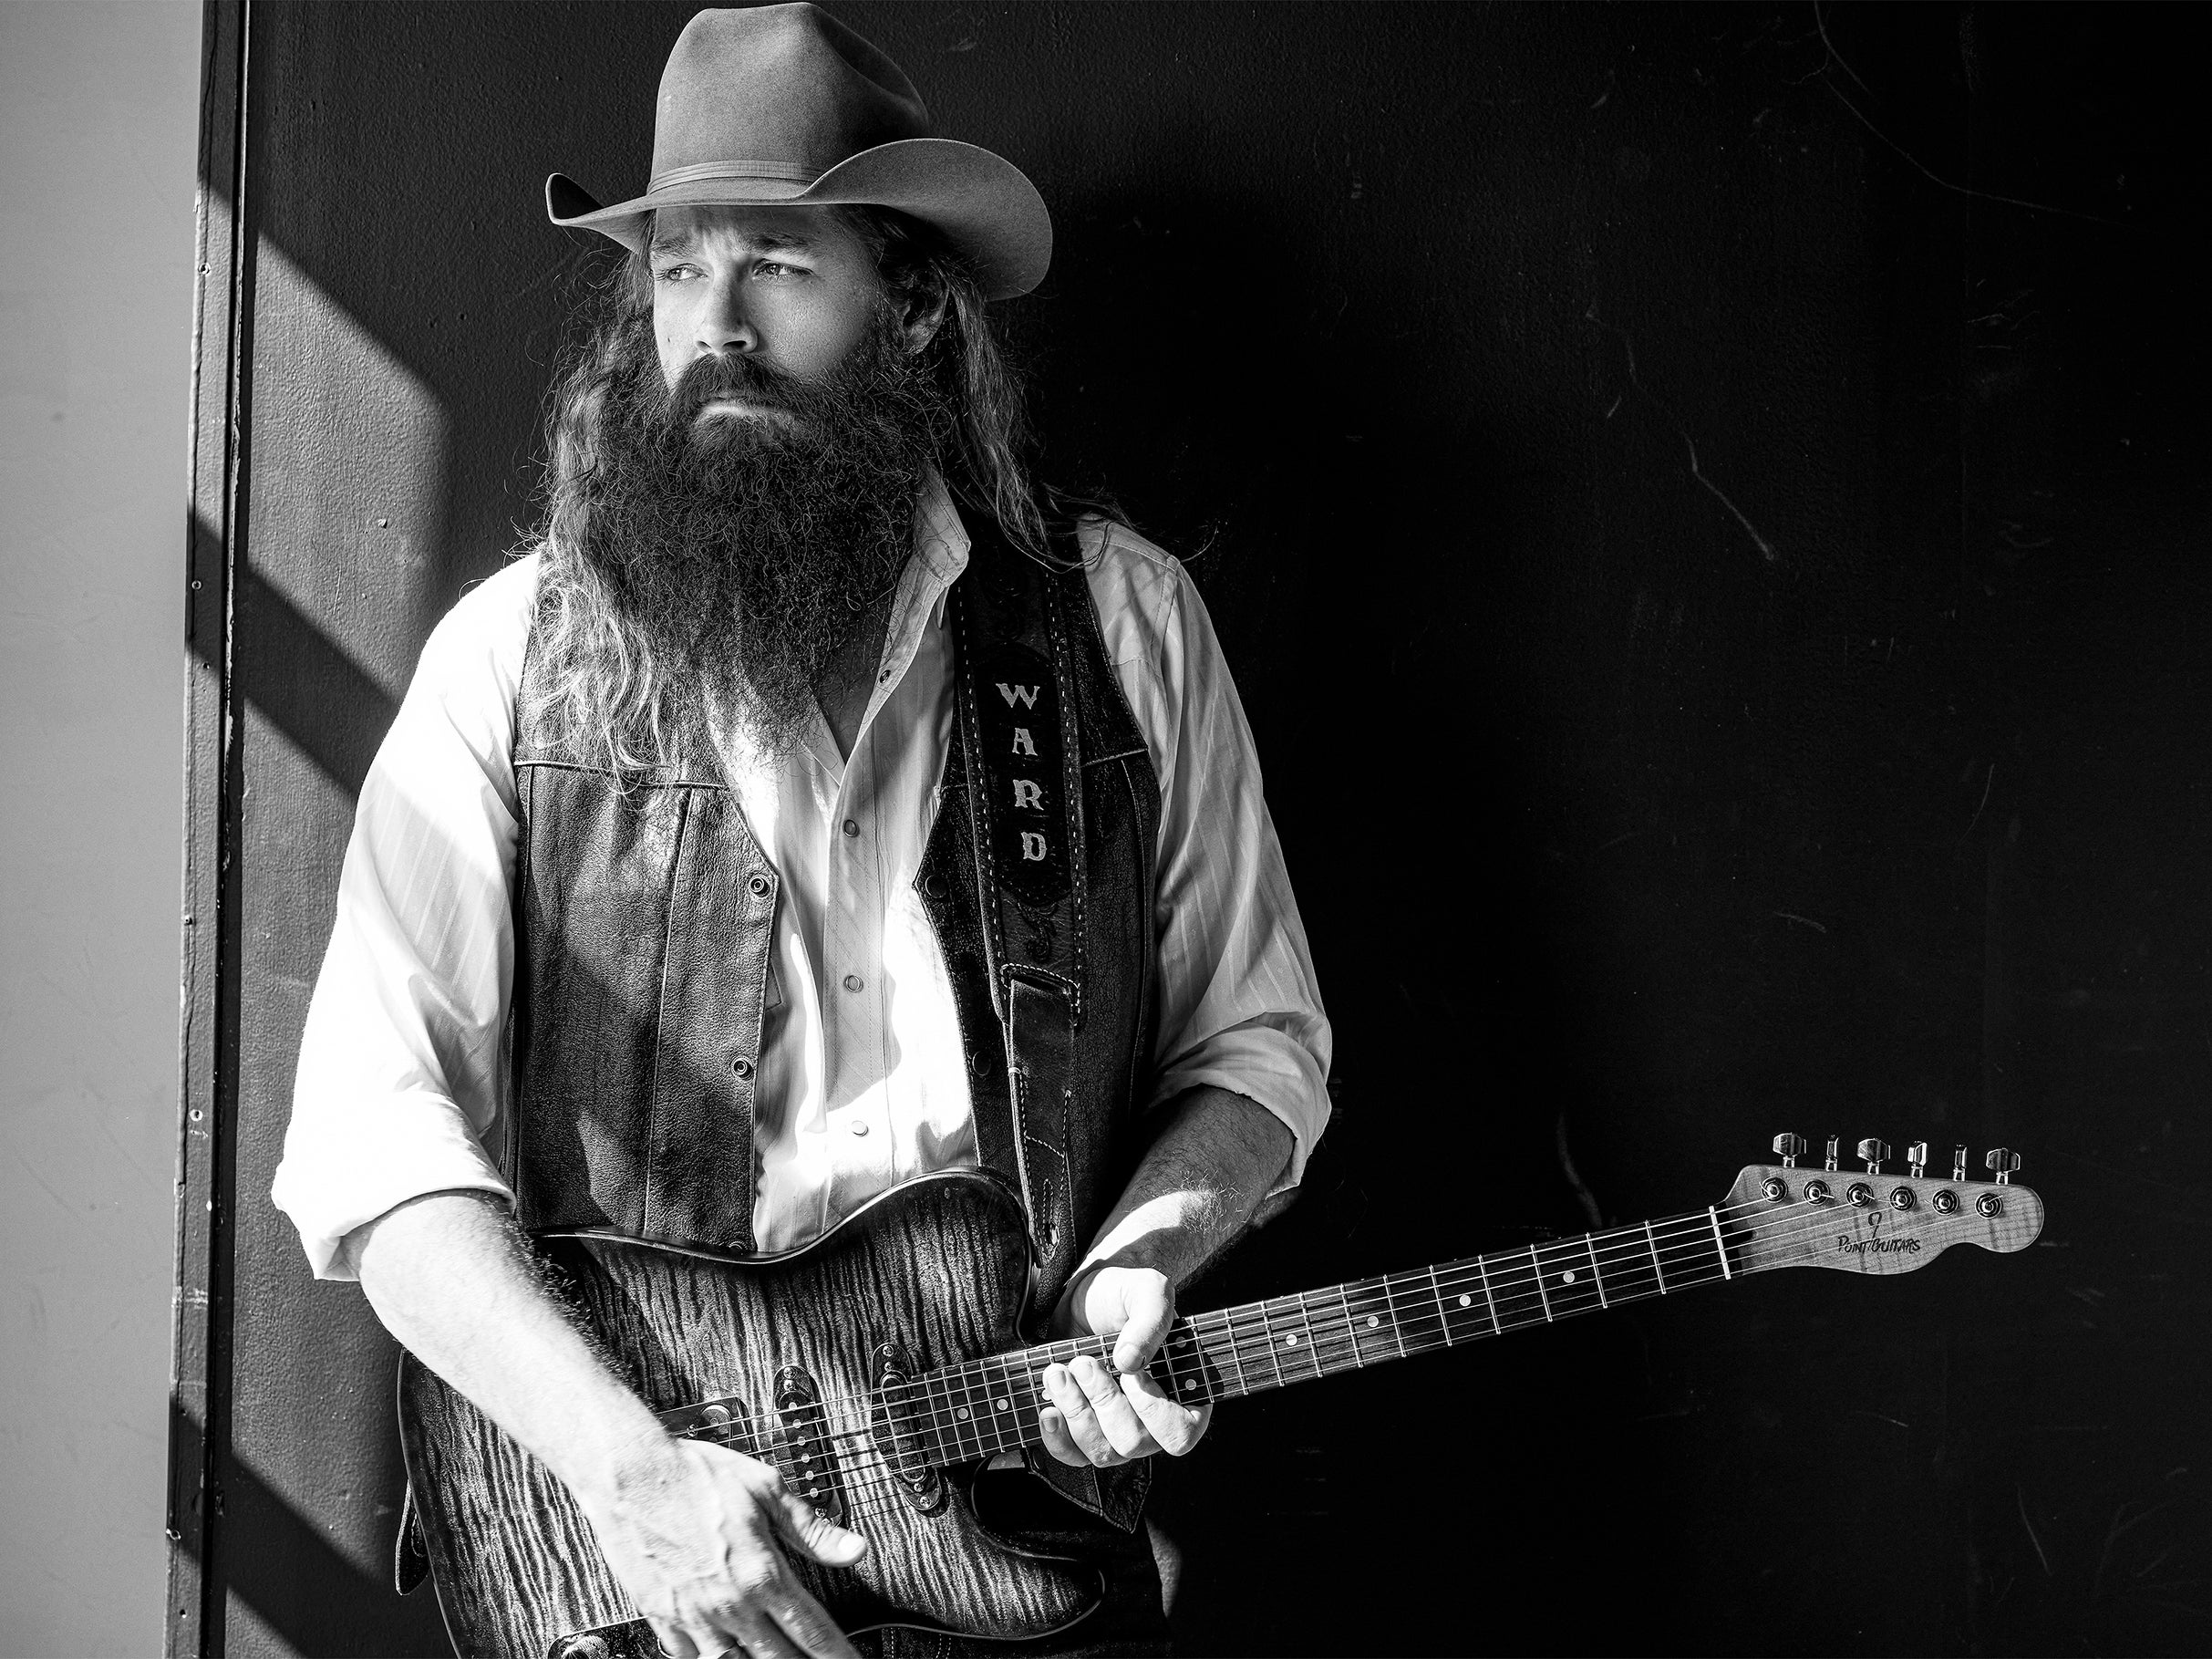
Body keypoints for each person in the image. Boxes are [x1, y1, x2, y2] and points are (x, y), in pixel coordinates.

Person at [273, 7, 1330, 1656]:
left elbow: (1255, 1047)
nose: (716, 326)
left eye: (775, 265)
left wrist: (1139, 1259)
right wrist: (632, 1475)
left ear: (909, 304)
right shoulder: (514, 657)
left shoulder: (1119, 626)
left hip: (1025, 1535)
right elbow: (372, 1147)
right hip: (647, 1577)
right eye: (676, 269)